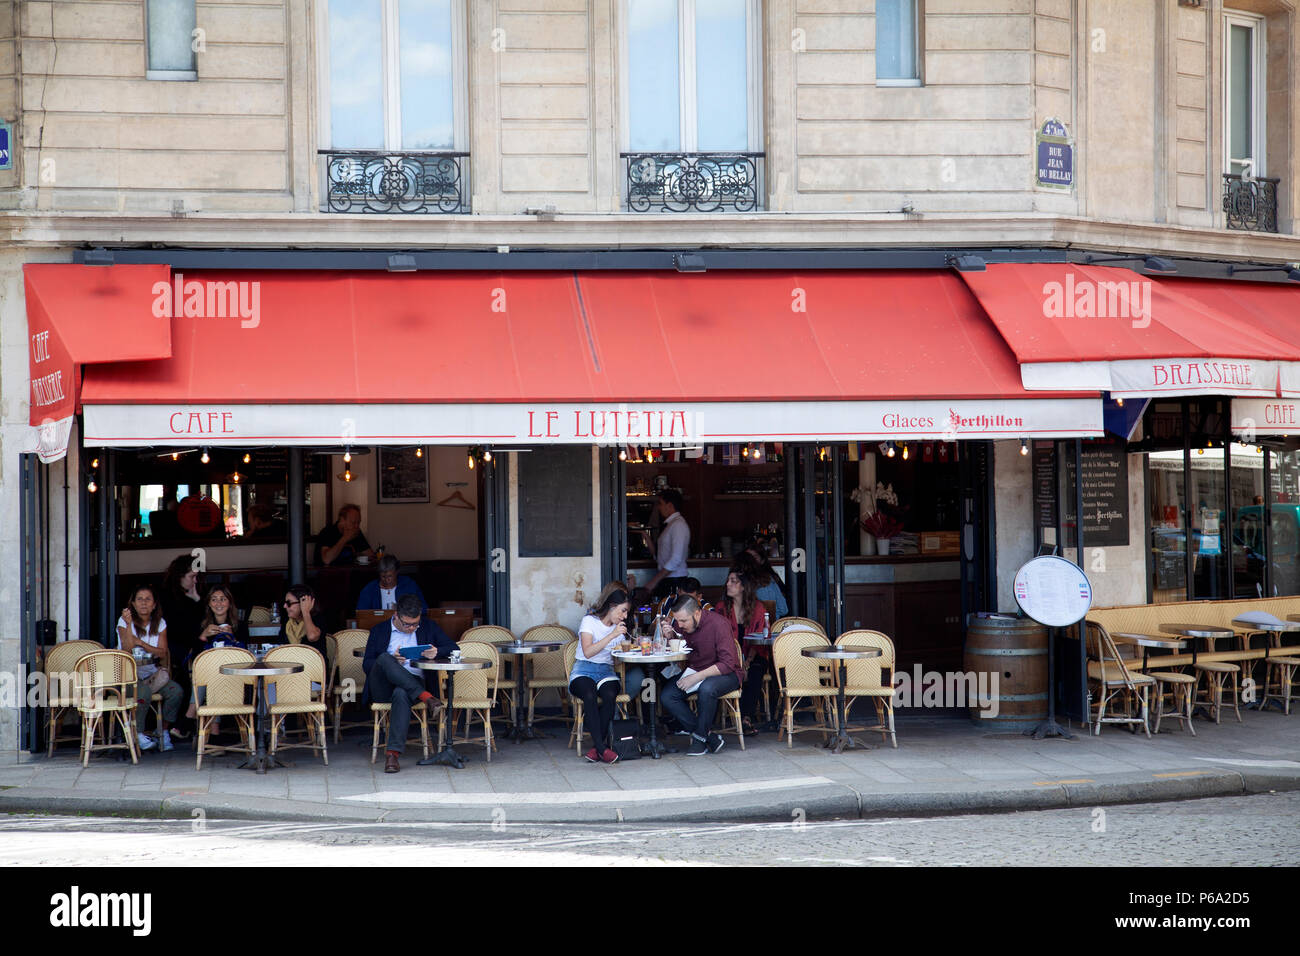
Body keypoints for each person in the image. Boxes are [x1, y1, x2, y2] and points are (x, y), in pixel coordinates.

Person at [362, 593, 456, 773]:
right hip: (382, 685)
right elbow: (366, 665)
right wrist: (392, 660)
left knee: (401, 693)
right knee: (383, 658)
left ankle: (392, 756)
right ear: (396, 615)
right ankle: (427, 697)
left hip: (412, 684)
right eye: (407, 624)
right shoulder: (379, 630)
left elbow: (453, 648)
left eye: (415, 624)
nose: (412, 628)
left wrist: (436, 651)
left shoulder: (428, 627)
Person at [658, 594, 743, 755]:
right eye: (678, 621)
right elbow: (682, 642)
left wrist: (696, 677)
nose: (680, 625)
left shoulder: (719, 624)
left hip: (726, 674)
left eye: (683, 621)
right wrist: (670, 636)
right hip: (696, 669)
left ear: (697, 613)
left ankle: (699, 740)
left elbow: (727, 663)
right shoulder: (683, 624)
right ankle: (708, 737)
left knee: (707, 688)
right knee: (667, 695)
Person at [116, 585, 184, 753]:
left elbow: (162, 653)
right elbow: (126, 650)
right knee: (144, 692)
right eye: (139, 599)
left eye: (148, 599)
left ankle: (163, 731)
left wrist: (141, 643)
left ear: (154, 605)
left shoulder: (160, 623)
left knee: (176, 691)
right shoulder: (123, 621)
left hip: (152, 674)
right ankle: (137, 733)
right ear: (132, 603)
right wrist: (129, 624)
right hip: (128, 678)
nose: (144, 603)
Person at [572, 589, 633, 764]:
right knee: (589, 695)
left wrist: (626, 645)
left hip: (606, 670)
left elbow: (618, 654)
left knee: (609, 694)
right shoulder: (589, 621)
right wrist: (612, 635)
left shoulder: (619, 629)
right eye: (623, 610)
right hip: (583, 669)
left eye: (626, 611)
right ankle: (601, 747)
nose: (625, 616)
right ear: (612, 607)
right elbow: (588, 652)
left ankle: (597, 749)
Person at [719, 567, 774, 734]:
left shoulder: (758, 608)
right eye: (728, 581)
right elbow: (720, 638)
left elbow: (760, 639)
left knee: (755, 671)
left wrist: (747, 664)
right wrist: (737, 663)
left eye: (733, 581)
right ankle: (732, 714)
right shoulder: (722, 607)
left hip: (754, 654)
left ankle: (745, 718)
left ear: (744, 587)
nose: (728, 584)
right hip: (729, 655)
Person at [158, 553, 204, 736]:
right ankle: (185, 723)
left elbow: (203, 625)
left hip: (191, 647)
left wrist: (197, 600)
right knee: (198, 670)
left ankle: (187, 722)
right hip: (172, 648)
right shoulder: (166, 598)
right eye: (192, 577)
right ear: (180, 577)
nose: (195, 581)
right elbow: (182, 631)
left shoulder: (194, 596)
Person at [645, 489, 690, 598]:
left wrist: (654, 580)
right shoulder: (671, 524)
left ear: (669, 505)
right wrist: (645, 535)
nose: (658, 507)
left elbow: (676, 559)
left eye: (660, 503)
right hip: (669, 580)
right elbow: (660, 556)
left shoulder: (678, 525)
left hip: (675, 581)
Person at [356, 555, 427, 611]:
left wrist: (402, 609)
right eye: (383, 576)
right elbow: (361, 613)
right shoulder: (370, 589)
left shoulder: (409, 585)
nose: (387, 580)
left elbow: (423, 608)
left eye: (390, 576)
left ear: (396, 572)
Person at [277, 585, 331, 657]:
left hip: (314, 665)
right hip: (291, 665)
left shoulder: (317, 618)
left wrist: (305, 612)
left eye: (289, 603)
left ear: (303, 603)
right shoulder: (288, 622)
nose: (285, 606)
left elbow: (312, 637)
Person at [739, 546, 789, 620]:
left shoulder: (769, 579)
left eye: (754, 557)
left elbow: (783, 609)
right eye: (748, 558)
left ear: (762, 561)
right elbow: (783, 610)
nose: (751, 561)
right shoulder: (737, 580)